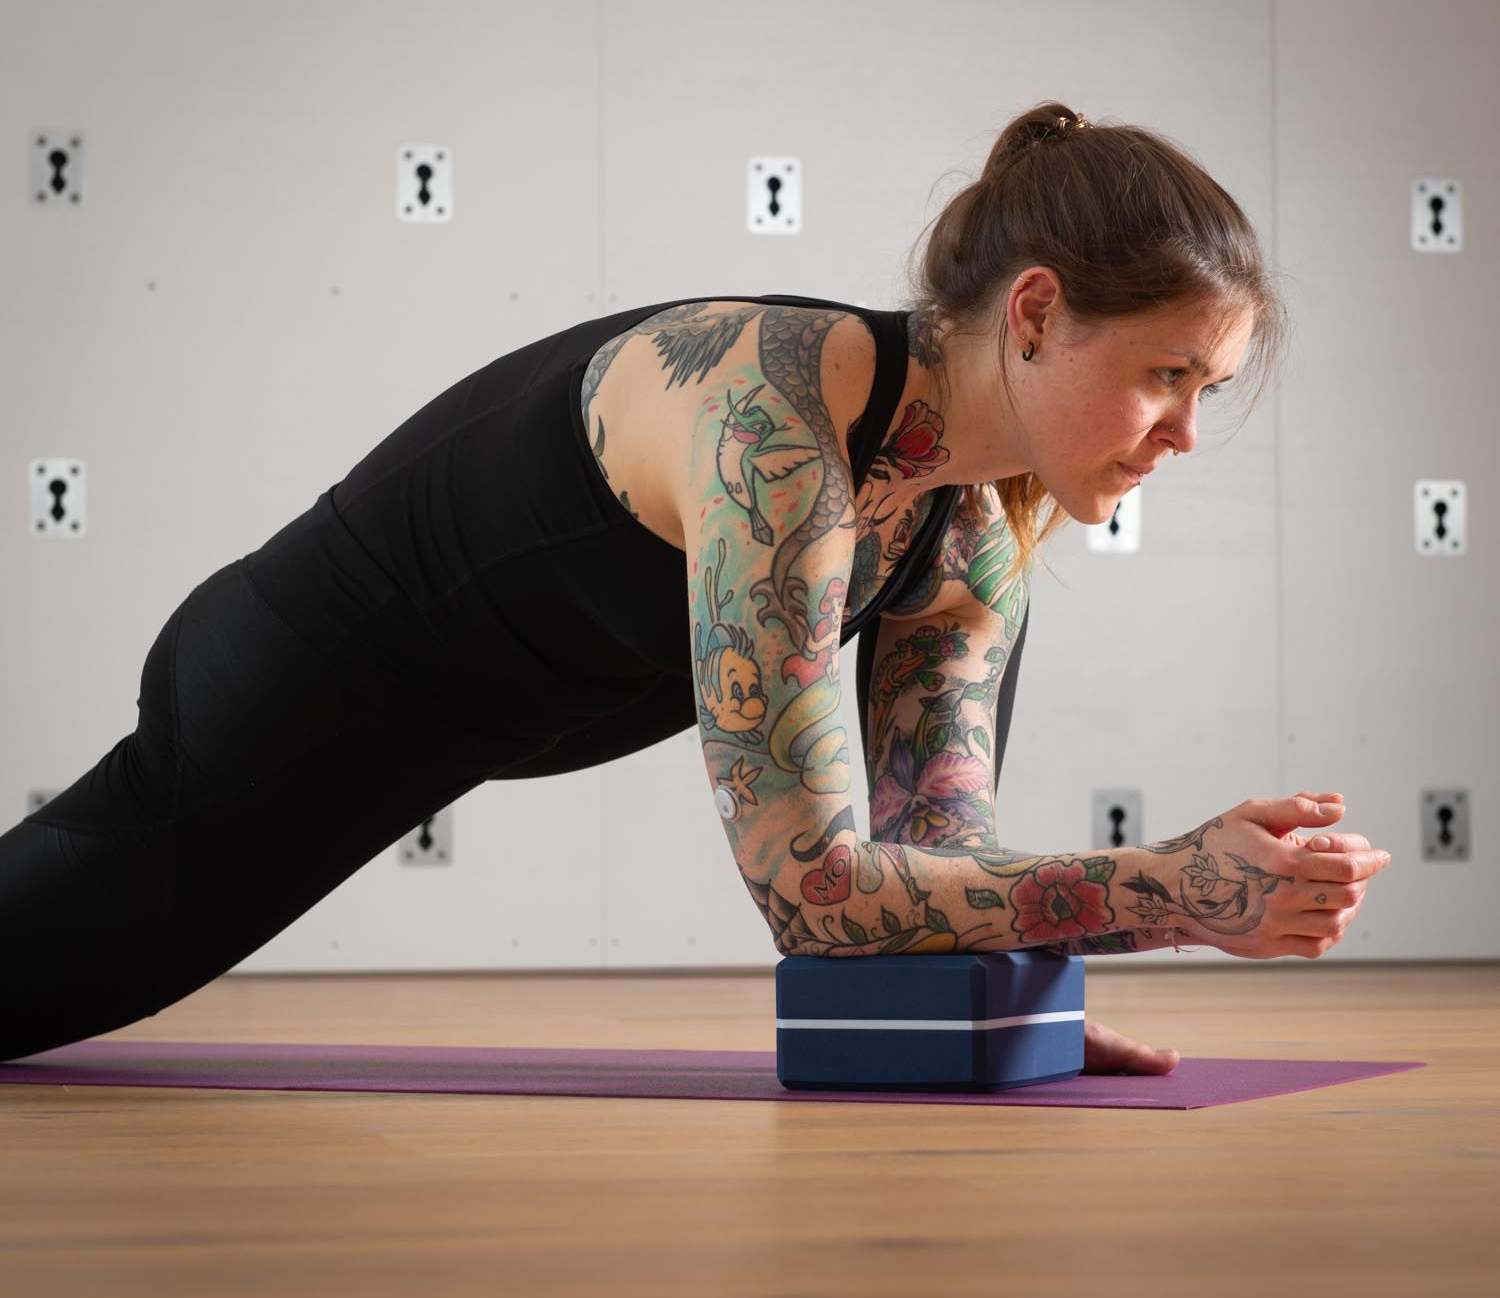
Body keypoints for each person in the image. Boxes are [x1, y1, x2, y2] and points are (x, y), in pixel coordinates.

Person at [0, 101, 1388, 1067]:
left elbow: (933, 853)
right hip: (302, 686)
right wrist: (1168, 888)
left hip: (470, 722)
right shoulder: (776, 419)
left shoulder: (973, 526)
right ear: (1033, 314)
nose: (1187, 432)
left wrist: (1003, 999)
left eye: (1207, 389)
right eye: (1164, 376)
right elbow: (818, 893)